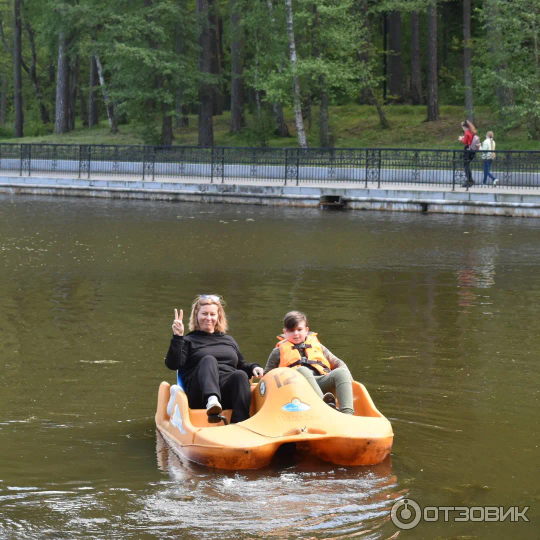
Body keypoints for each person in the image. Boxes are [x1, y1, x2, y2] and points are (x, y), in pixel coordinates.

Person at [165, 295, 263, 424]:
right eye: (204, 314)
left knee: (240, 375)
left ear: (218, 317)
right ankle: (212, 400)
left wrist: (253, 367)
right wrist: (178, 337)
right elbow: (173, 364)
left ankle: (240, 422)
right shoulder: (188, 341)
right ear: (196, 315)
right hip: (200, 394)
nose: (209, 318)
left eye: (212, 314)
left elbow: (241, 364)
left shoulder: (228, 340)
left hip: (225, 392)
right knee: (209, 360)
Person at [264, 311, 355, 415]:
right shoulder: (278, 351)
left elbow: (337, 362)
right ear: (285, 332)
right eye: (291, 331)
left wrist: (349, 379)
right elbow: (268, 374)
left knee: (342, 372)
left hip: (320, 382)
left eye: (299, 329)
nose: (296, 334)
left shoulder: (318, 346)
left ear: (306, 330)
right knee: (302, 370)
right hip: (295, 388)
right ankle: (325, 407)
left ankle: (347, 415)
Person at [458, 120, 477, 188]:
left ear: (464, 126)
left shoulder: (466, 132)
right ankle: (470, 180)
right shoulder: (471, 131)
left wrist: (461, 139)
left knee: (466, 165)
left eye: (462, 126)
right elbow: (469, 139)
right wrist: (464, 138)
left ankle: (469, 180)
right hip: (472, 150)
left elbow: (466, 141)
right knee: (467, 164)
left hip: (468, 150)